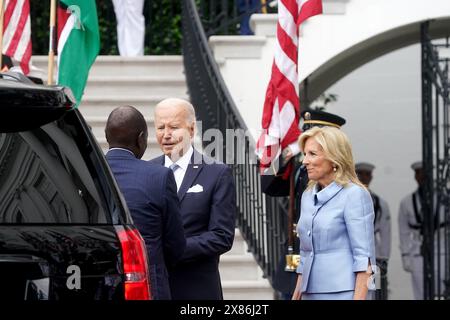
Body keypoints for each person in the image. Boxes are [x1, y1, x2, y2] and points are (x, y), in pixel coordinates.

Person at [149, 98, 236, 300]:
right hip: (157, 289)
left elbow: (221, 236)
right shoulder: (148, 171)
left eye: (174, 127)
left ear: (192, 129)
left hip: (198, 290)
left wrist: (175, 249)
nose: (166, 134)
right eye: (160, 127)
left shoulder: (216, 173)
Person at [261, 109, 346, 299]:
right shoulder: (301, 169)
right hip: (297, 250)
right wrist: (285, 155)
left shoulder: (339, 175)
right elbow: (268, 186)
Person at [105, 105, 186, 300]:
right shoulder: (159, 176)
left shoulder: (87, 173)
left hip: (101, 282)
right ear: (141, 138)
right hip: (149, 286)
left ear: (107, 136)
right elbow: (176, 245)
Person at [292, 126, 376, 300]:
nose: (305, 161)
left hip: (344, 293)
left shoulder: (354, 195)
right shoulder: (307, 196)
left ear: (334, 158)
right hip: (309, 293)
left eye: (312, 154)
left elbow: (365, 260)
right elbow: (305, 255)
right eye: (305, 154)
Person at [355, 162, 391, 299]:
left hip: (373, 251)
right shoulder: (347, 198)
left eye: (367, 174)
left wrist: (384, 257)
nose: (364, 177)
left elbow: (385, 231)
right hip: (353, 250)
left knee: (373, 290)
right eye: (361, 174)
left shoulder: (380, 203)